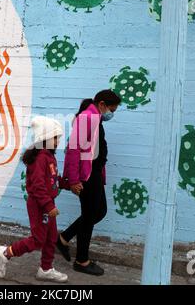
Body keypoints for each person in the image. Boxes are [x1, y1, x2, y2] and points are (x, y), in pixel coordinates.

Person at [0, 116, 68, 283]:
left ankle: (46, 269)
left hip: (48, 204)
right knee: (38, 239)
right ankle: (6, 253)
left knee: (51, 238)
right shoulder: (40, 158)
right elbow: (38, 186)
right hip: (40, 205)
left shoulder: (49, 156)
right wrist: (49, 206)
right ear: (45, 137)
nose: (58, 141)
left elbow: (52, 180)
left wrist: (67, 184)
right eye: (55, 137)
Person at [57, 89, 121, 276]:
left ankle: (64, 238)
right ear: (102, 104)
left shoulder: (95, 118)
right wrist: (74, 180)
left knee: (98, 212)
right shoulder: (87, 118)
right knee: (90, 215)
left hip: (94, 174)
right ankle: (82, 260)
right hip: (87, 176)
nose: (112, 114)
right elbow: (73, 149)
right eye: (112, 109)